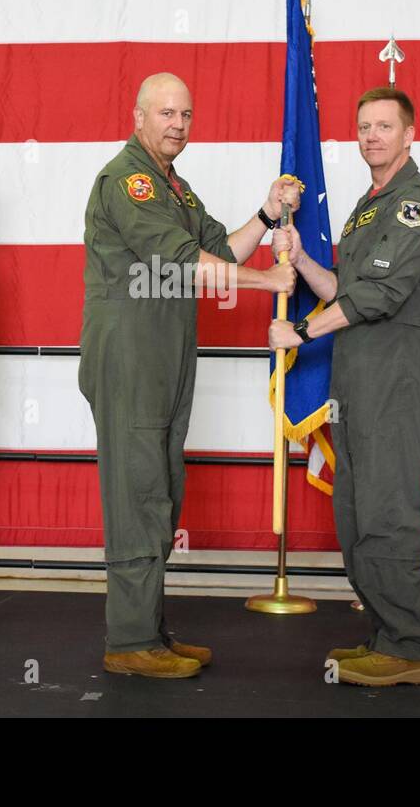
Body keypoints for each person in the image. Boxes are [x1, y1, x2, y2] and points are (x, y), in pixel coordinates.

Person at [80, 72, 299, 677]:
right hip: (130, 356)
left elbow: (221, 251)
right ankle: (128, 641)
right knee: (138, 492)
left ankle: (149, 630)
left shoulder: (174, 186)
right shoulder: (130, 181)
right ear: (139, 116)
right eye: (167, 113)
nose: (178, 124)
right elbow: (178, 261)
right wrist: (266, 283)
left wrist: (266, 211)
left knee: (161, 490)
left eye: (186, 115)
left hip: (166, 354)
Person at [268, 87, 420, 686]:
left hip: (394, 384)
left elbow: (378, 295)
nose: (372, 135)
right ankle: (383, 631)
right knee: (353, 515)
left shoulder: (415, 207)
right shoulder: (368, 206)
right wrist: (300, 263)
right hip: (358, 383)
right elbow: (345, 287)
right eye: (364, 126)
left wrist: (299, 331)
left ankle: (408, 648)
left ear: (409, 134)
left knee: (387, 514)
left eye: (384, 126)